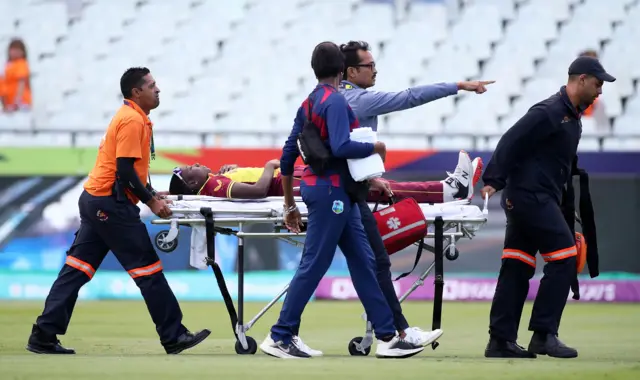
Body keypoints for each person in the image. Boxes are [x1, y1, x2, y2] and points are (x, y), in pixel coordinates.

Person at [258, 41, 425, 359]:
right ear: (340, 71)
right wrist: (375, 149)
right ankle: (280, 336)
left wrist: (290, 204)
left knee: (364, 261)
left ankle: (388, 337)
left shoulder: (308, 103)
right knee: (316, 262)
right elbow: (341, 146)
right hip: (332, 191)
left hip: (330, 191)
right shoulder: (334, 102)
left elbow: (288, 155)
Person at [26, 67, 211, 355]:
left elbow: (129, 170)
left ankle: (43, 334)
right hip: (109, 205)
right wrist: (150, 202)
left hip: (96, 200)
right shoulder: (132, 120)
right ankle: (173, 335)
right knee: (148, 269)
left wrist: (151, 193)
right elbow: (124, 171)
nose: (158, 89)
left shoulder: (134, 117)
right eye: (152, 85)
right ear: (137, 92)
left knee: (77, 270)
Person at [480, 56, 615, 359]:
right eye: (597, 83)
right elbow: (511, 140)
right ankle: (543, 334)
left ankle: (500, 341)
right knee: (566, 258)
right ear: (581, 79)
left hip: (533, 198)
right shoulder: (550, 111)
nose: (600, 91)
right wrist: (493, 179)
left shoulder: (570, 115)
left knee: (517, 264)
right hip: (530, 197)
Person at [167, 151, 480, 205]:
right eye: (190, 169)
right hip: (292, 185)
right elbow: (260, 190)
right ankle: (447, 192)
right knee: (371, 189)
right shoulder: (213, 185)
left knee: (374, 185)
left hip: (296, 179)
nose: (195, 164)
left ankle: (446, 189)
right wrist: (267, 165)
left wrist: (232, 171)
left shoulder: (214, 181)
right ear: (193, 184)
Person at [0, 38, 31, 112]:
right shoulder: (7, 66)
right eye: (13, 49)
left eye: (18, 50)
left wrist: (17, 101)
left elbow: (21, 83)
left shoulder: (21, 64)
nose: (15, 52)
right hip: (9, 103)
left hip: (21, 103)